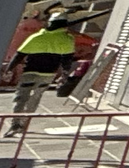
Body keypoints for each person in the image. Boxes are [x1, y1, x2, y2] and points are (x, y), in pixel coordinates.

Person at [5, 9, 80, 137]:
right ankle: (24, 124)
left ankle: (15, 124)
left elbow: (19, 55)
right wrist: (64, 74)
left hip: (30, 72)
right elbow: (67, 59)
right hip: (48, 75)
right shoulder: (67, 39)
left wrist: (9, 69)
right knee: (36, 97)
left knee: (21, 97)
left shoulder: (37, 37)